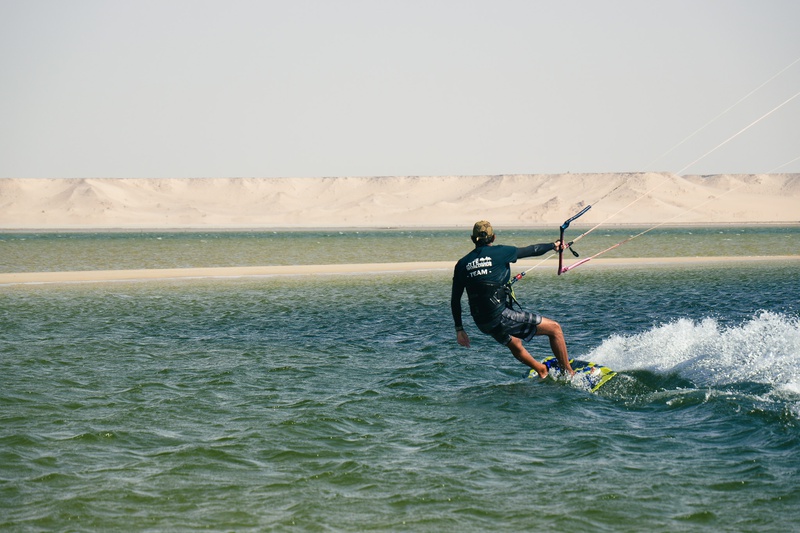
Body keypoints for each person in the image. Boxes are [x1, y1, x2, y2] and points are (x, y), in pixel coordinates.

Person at [450, 220, 575, 379]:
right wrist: (554, 245)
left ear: (472, 238)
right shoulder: (501, 252)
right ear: (493, 237)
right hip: (499, 316)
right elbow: (532, 250)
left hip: (482, 322)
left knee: (515, 343)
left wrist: (459, 330)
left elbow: (455, 300)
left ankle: (541, 370)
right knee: (555, 329)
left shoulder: (461, 264)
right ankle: (569, 374)